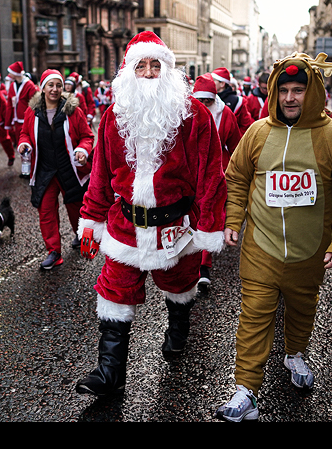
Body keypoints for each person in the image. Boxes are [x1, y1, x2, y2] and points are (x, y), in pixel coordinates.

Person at [215, 52, 332, 422]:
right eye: (283, 90)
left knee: (303, 310)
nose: (289, 98)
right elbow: (236, 178)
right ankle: (245, 391)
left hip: (309, 253)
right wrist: (233, 219)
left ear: (312, 91)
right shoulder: (257, 132)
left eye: (298, 90)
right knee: (254, 316)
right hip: (260, 249)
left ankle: (295, 354)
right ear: (274, 93)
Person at [74, 31, 227, 397]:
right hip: (125, 223)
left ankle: (178, 328)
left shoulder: (195, 115)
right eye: (140, 65)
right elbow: (99, 174)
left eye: (155, 65)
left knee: (179, 287)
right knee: (114, 291)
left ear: (167, 70)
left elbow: (211, 176)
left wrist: (209, 227)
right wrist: (90, 220)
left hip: (175, 226)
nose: (147, 73)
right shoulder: (114, 116)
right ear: (128, 71)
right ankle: (110, 372)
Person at [17, 69, 94, 270]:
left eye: (58, 85)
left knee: (76, 206)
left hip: (69, 168)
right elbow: (25, 133)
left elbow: (87, 136)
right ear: (42, 88)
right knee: (46, 210)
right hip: (44, 169)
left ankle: (80, 234)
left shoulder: (72, 111)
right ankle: (54, 252)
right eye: (50, 85)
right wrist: (24, 144)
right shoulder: (32, 112)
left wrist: (81, 150)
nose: (55, 89)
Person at [192, 72, 241, 290]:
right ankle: (187, 262)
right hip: (191, 172)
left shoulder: (226, 114)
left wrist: (235, 171)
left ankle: (204, 266)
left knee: (209, 215)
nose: (203, 105)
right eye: (199, 101)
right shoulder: (182, 112)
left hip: (217, 172)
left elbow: (236, 145)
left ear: (215, 98)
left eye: (208, 101)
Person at [5, 61, 39, 152]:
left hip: (27, 119)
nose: (9, 74)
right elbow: (9, 105)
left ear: (15, 73)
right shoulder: (13, 85)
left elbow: (34, 105)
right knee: (21, 145)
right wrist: (8, 123)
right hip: (17, 120)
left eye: (10, 72)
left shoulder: (30, 85)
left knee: (29, 144)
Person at [212, 67, 254, 136]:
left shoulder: (238, 102)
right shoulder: (209, 99)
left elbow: (245, 125)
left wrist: (236, 140)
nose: (210, 82)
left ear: (222, 84)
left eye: (213, 80)